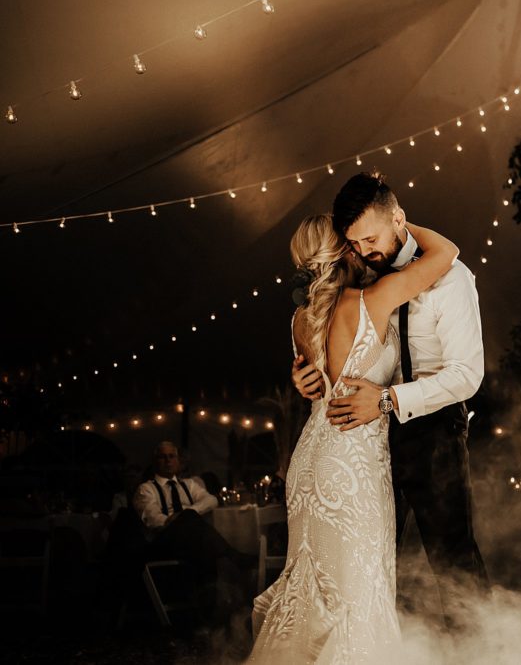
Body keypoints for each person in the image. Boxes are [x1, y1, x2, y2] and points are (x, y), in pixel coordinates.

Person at [250, 209, 459, 663]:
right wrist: (398, 222)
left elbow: (315, 386)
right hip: (354, 464)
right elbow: (446, 252)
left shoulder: (299, 319)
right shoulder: (373, 300)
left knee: (311, 584)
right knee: (357, 587)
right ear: (344, 247)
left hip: (310, 461)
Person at [290, 173, 488, 619]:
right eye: (353, 243)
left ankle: (478, 651)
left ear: (399, 219)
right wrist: (306, 374)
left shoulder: (451, 279)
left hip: (431, 431)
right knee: (375, 562)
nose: (364, 251)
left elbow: (466, 374)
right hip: (365, 444)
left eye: (371, 238)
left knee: (451, 557)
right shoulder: (363, 284)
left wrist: (388, 400)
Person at [133, 441, 251, 625]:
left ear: (178, 460)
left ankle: (207, 618)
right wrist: (180, 520)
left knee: (204, 551)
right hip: (163, 542)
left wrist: (187, 514)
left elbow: (211, 500)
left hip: (191, 542)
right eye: (162, 457)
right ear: (155, 461)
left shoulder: (189, 484)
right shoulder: (146, 489)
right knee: (195, 528)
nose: (167, 460)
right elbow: (154, 520)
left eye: (171, 456)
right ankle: (231, 555)